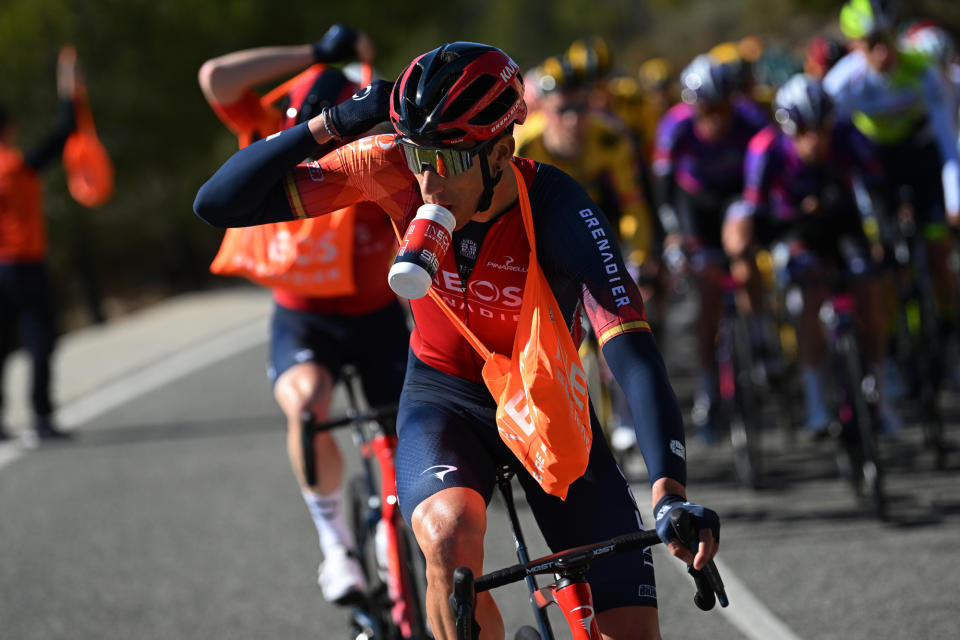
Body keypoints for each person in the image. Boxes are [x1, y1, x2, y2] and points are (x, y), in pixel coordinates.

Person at [195, 42, 720, 640]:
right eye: (419, 153)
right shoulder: (389, 167)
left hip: (551, 407)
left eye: (447, 159)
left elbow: (633, 354)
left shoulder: (560, 209)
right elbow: (216, 204)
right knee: (446, 535)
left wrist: (669, 495)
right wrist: (334, 123)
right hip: (445, 399)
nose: (426, 177)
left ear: (501, 150)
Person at [197, 24, 409, 605]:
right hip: (303, 316)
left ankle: (399, 556)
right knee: (309, 405)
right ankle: (336, 543)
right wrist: (316, 54)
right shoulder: (276, 130)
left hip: (376, 314)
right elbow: (215, 77)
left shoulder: (373, 148)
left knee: (401, 442)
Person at [721, 73, 898, 435]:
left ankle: (880, 389)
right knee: (810, 297)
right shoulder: (764, 149)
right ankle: (816, 401)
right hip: (794, 227)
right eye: (804, 131)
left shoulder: (848, 134)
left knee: (868, 287)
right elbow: (756, 213)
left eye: (821, 128)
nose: (815, 140)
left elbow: (879, 187)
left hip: (842, 222)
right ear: (788, 129)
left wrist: (887, 236)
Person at [825, 0, 960, 379]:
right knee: (880, 262)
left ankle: (948, 330)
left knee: (937, 248)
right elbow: (834, 154)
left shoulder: (923, 70)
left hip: (922, 158)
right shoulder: (840, 84)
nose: (883, 53)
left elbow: (949, 143)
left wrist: (955, 202)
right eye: (871, 44)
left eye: (887, 40)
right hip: (875, 167)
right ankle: (895, 345)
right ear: (854, 46)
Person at [653, 54, 768, 442]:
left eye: (723, 108)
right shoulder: (675, 127)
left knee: (744, 258)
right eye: (707, 109)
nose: (716, 119)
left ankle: (760, 336)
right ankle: (707, 388)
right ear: (693, 106)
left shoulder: (752, 119)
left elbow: (772, 172)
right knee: (707, 294)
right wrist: (673, 236)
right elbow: (664, 193)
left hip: (737, 198)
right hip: (694, 207)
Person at [0, 48, 78, 444]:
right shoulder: (16, 166)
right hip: (23, 265)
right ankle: (41, 417)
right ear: (9, 128)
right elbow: (66, 127)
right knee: (40, 340)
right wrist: (68, 77)